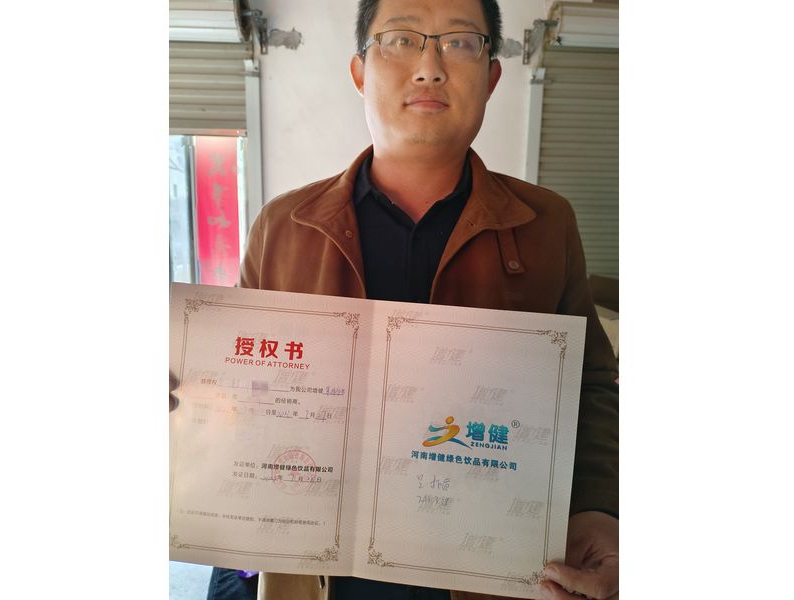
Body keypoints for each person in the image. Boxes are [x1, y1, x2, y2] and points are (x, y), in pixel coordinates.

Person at [200, 0, 618, 598]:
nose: (429, 67)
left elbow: (591, 383)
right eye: (400, 39)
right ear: (359, 71)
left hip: (489, 572)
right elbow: (240, 388)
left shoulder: (545, 225)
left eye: (460, 42)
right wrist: (192, 403)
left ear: (492, 77)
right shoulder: (284, 227)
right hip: (320, 577)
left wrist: (599, 509)